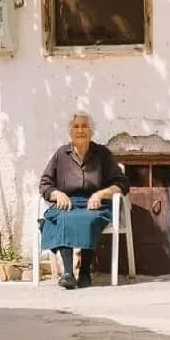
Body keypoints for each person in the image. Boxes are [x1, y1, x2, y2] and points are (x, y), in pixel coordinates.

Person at [39, 112, 130, 290]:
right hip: (67, 203)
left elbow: (122, 183)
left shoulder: (102, 153)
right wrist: (58, 194)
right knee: (62, 218)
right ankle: (68, 273)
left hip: (94, 203)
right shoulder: (61, 154)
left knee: (88, 219)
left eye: (84, 126)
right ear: (70, 132)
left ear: (91, 131)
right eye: (76, 126)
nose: (80, 130)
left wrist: (101, 194)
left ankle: (85, 271)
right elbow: (45, 183)